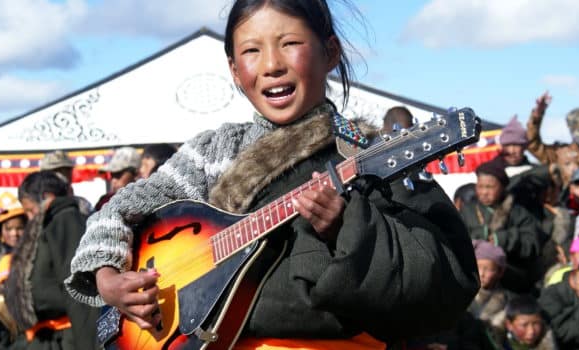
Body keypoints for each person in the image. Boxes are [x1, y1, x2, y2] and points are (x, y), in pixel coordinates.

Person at [65, 1, 479, 348]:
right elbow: (117, 211)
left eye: (291, 44)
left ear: (330, 52)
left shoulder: (373, 157)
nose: (272, 65)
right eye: (251, 51)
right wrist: (107, 279)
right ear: (233, 69)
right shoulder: (212, 153)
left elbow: (445, 283)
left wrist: (348, 227)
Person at [5, 171, 98, 349]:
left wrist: (87, 344)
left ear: (47, 197)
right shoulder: (50, 223)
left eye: (30, 210)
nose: (30, 218)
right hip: (49, 336)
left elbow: (76, 284)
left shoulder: (66, 219)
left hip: (68, 337)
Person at [459, 161, 541, 293]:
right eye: (480, 186)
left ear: (502, 187)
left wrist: (503, 239)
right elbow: (456, 240)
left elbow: (532, 244)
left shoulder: (518, 212)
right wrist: (480, 236)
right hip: (473, 278)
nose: (484, 192)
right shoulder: (467, 211)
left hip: (511, 280)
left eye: (490, 187)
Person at [39, 150, 94, 217]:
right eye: (55, 171)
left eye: (65, 171)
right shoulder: (37, 205)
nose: (61, 176)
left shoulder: (82, 204)